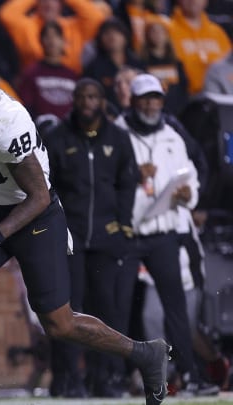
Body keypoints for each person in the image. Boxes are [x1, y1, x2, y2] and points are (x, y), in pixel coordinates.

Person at [0, 48, 171, 405]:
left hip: (36, 217)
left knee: (59, 324)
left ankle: (146, 354)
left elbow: (39, 196)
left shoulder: (5, 123)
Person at [114, 73, 219, 397]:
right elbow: (104, 180)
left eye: (156, 97)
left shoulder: (173, 133)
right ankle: (113, 378)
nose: (150, 104)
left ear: (162, 100)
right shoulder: (117, 131)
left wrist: (190, 194)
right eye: (145, 97)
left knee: (175, 309)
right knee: (117, 308)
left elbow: (191, 172)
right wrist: (133, 173)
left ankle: (189, 375)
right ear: (133, 100)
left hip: (165, 233)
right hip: (129, 233)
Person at [45, 78, 140, 398]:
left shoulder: (119, 138)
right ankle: (67, 379)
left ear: (102, 101)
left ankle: (107, 378)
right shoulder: (57, 137)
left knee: (107, 310)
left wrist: (123, 223)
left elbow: (128, 182)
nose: (87, 102)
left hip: (106, 237)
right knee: (67, 311)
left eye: (93, 96)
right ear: (73, 100)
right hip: (69, 237)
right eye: (81, 96)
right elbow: (47, 186)